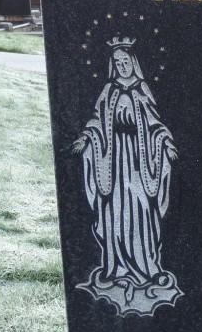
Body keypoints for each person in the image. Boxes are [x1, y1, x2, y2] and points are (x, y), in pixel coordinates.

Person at [72, 37, 182, 315]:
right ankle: (116, 267)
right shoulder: (108, 91)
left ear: (134, 62)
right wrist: (86, 138)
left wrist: (165, 143)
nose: (122, 66)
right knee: (115, 212)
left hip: (140, 160)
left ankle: (147, 267)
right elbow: (96, 122)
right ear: (113, 65)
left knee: (142, 209)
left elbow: (155, 124)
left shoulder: (142, 89)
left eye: (126, 61)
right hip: (112, 161)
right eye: (117, 62)